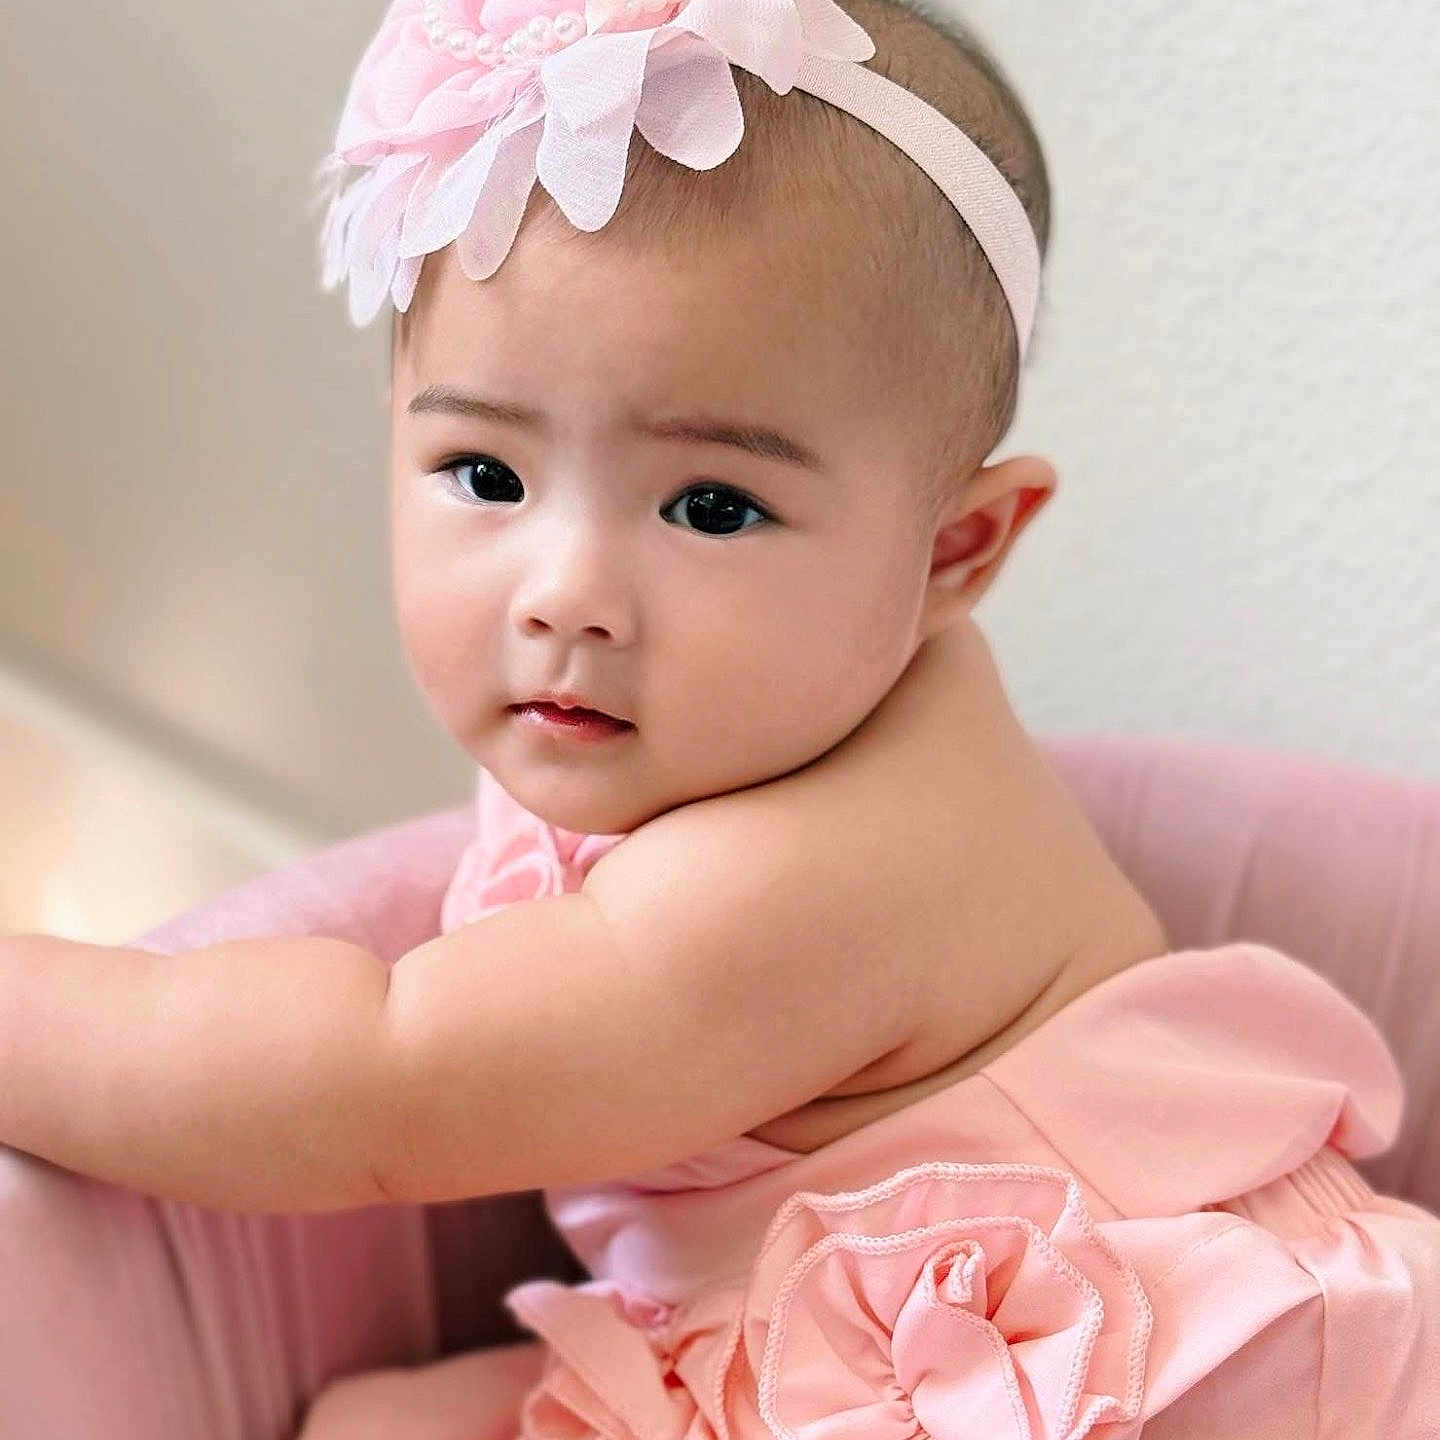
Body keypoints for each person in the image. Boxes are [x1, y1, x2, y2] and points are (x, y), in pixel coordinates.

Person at [2, 0, 1436, 1435]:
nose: (567, 596)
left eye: (712, 507)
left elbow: (379, 1084)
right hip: (801, 1334)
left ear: (954, 553)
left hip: (1149, 1384)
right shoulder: (734, 729)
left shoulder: (826, 874)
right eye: (485, 476)